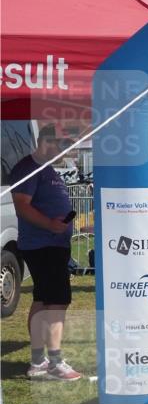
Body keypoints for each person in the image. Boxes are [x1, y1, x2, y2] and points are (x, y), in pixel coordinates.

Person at [10, 125, 82, 380]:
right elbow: (22, 206)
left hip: (51, 245)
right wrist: (51, 225)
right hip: (44, 245)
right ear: (45, 141)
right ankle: (53, 362)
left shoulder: (47, 168)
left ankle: (39, 361)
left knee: (43, 300)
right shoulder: (30, 167)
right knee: (56, 301)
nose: (64, 150)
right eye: (61, 144)